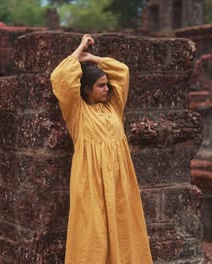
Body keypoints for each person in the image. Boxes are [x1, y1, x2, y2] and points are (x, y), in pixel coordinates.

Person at [50, 34, 153, 264]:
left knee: (124, 226)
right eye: (101, 85)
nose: (107, 89)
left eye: (107, 84)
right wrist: (79, 51)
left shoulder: (114, 107)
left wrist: (93, 58)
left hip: (119, 179)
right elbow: (60, 77)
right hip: (90, 181)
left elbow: (123, 72)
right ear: (86, 89)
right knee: (91, 233)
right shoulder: (76, 111)